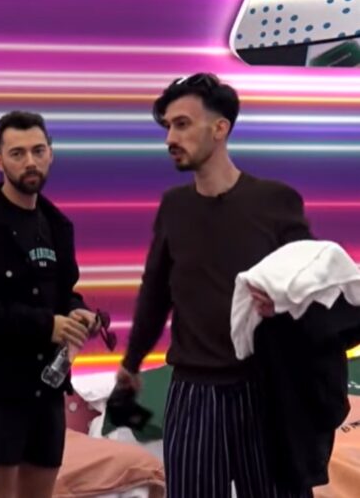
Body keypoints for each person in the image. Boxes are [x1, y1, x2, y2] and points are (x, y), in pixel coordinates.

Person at [117, 73, 314, 498]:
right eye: (168, 126)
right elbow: (155, 292)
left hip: (265, 388)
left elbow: (313, 288)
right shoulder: (174, 207)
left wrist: (282, 304)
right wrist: (131, 363)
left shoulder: (276, 201)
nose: (170, 138)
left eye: (182, 124)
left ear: (220, 128)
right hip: (193, 389)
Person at [0, 111, 99, 498]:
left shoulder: (58, 225)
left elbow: (65, 291)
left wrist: (77, 311)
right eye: (17, 153)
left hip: (48, 392)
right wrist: (46, 325)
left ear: (51, 154)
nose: (30, 161)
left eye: (38, 150)